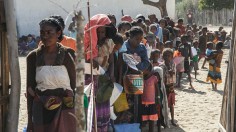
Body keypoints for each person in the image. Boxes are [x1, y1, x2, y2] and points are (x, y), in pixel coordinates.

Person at [26, 18, 76, 132]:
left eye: (49, 32)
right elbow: (29, 90)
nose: (45, 36)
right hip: (41, 109)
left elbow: (75, 86)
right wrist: (30, 121)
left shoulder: (68, 54)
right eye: (42, 33)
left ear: (58, 33)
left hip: (65, 107)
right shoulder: (33, 57)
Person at [83, 14, 117, 132]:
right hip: (90, 79)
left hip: (104, 78)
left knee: (103, 103)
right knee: (91, 107)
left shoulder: (109, 43)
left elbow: (111, 61)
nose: (101, 35)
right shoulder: (88, 44)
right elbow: (83, 61)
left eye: (103, 32)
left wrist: (112, 74)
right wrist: (90, 59)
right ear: (93, 32)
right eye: (98, 32)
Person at [159, 48, 177, 126]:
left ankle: (172, 119)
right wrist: (167, 73)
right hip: (164, 87)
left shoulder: (173, 65)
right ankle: (163, 120)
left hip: (171, 87)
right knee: (163, 105)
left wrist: (172, 73)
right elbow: (161, 78)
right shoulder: (161, 66)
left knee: (171, 105)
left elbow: (174, 76)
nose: (167, 57)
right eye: (165, 56)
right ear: (163, 57)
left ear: (171, 57)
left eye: (169, 56)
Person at [141, 64, 160, 132]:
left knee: (151, 118)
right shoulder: (141, 78)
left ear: (148, 70)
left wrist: (158, 98)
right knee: (144, 117)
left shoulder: (154, 78)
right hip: (143, 101)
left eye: (144, 69)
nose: (142, 70)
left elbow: (157, 89)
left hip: (152, 101)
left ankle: (151, 130)